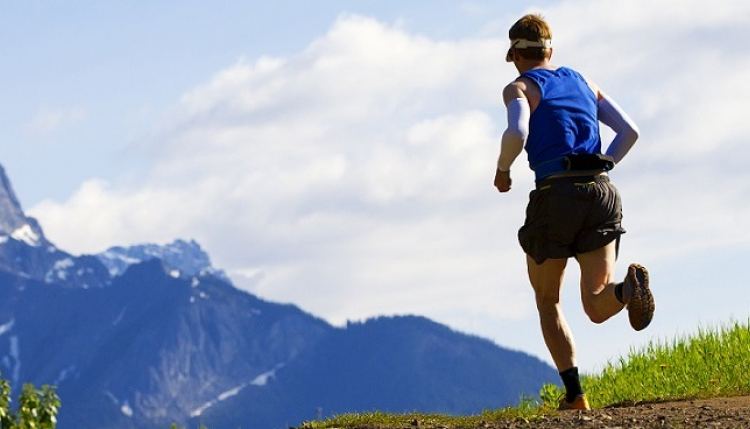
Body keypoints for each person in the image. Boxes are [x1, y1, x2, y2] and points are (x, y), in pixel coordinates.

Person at [494, 14, 655, 411]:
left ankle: (575, 394)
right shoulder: (586, 82)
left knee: (549, 299)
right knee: (598, 303)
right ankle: (627, 290)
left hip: (555, 194)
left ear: (514, 54)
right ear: (551, 51)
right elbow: (629, 131)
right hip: (602, 192)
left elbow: (517, 133)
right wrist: (606, 164)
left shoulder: (519, 86)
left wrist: (502, 170)